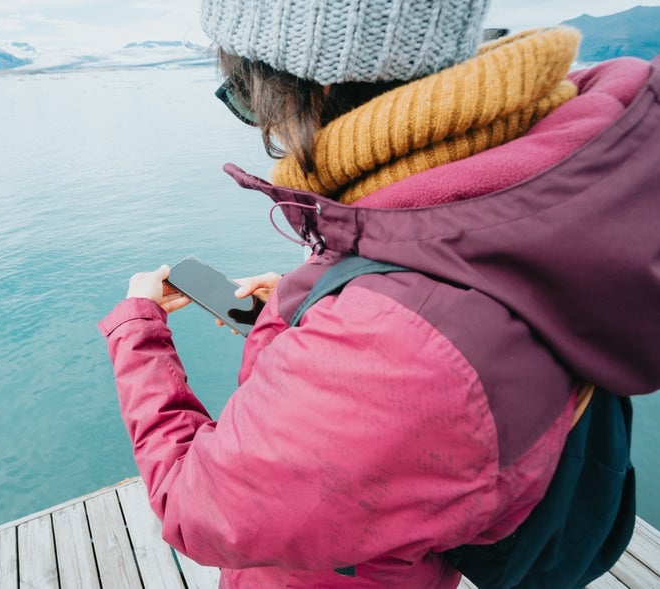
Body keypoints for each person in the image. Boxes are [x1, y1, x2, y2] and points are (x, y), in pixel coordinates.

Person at [98, 1, 660, 587]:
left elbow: (198, 508)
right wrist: (309, 304)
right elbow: (433, 306)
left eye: (242, 92)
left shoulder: (397, 343)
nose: (262, 127)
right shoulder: (507, 184)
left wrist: (138, 330)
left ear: (318, 84)